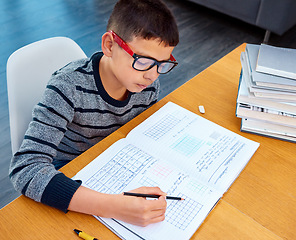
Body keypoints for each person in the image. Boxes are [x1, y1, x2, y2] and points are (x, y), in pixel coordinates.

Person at [9, 0, 179, 227]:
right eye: (144, 61)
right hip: (73, 173)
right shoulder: (67, 87)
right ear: (110, 45)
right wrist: (115, 207)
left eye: (162, 64)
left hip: (116, 167)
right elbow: (26, 169)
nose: (153, 76)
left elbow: (142, 135)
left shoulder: (145, 85)